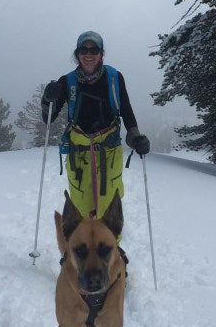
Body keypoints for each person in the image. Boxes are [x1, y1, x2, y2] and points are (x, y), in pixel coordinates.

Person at [41, 31, 150, 219]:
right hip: (79, 153)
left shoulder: (114, 77)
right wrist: (47, 98)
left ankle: (111, 248)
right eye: (83, 49)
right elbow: (48, 118)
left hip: (109, 150)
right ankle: (79, 248)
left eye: (94, 49)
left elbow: (126, 110)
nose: (88, 54)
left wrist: (134, 135)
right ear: (77, 53)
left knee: (110, 209)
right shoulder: (66, 82)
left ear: (101, 53)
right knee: (80, 208)